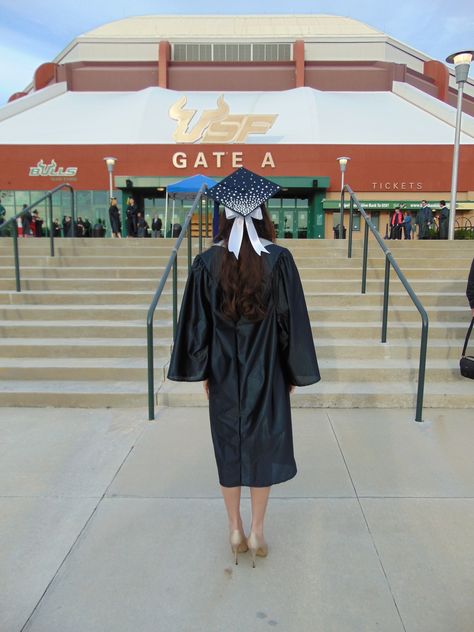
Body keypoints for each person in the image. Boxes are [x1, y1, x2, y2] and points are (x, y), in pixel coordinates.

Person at [168, 167, 320, 568]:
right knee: (263, 443)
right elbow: (290, 321)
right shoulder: (279, 260)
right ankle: (257, 531)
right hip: (267, 370)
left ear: (224, 215)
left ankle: (233, 527)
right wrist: (291, 371)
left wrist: (201, 371)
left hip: (222, 371)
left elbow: (195, 323)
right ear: (262, 213)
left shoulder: (206, 262)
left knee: (228, 445)